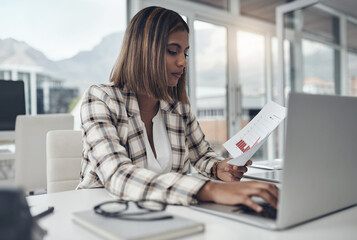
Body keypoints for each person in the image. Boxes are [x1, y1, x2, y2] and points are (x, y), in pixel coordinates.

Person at [78, 6, 278, 212]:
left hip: (166, 213)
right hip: (104, 213)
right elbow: (117, 175)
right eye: (173, 51)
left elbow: (201, 156)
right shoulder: (100, 99)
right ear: (143, 52)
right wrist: (210, 190)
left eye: (185, 53)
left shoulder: (178, 106)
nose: (182, 62)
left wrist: (220, 168)